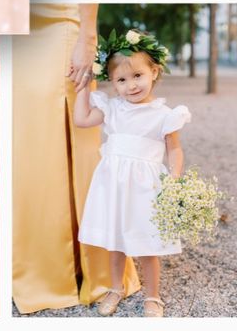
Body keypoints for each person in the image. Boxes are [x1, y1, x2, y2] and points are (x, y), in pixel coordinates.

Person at [12, 5, 139, 314]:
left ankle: (89, 268)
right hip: (15, 19)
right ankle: (42, 264)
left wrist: (88, 35)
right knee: (31, 140)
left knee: (72, 139)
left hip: (58, 20)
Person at [74, 29, 190, 317]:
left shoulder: (164, 115)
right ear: (112, 83)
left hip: (145, 186)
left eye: (138, 76)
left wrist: (174, 179)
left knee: (147, 243)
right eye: (121, 80)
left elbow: (174, 150)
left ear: (154, 71)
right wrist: (82, 88)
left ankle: (153, 296)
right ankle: (116, 288)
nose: (131, 85)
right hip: (113, 183)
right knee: (116, 241)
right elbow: (81, 119)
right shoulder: (112, 108)